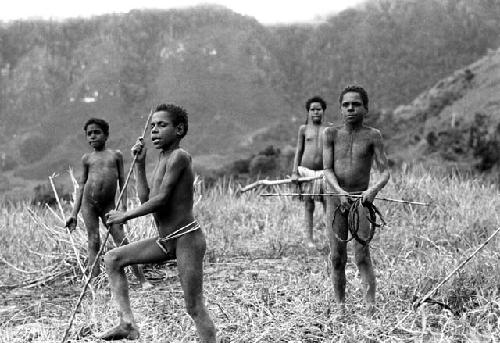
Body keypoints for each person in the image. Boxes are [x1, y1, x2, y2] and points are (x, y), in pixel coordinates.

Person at [100, 104, 216, 342]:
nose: (154, 131)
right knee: (112, 258)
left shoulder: (179, 157)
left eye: (162, 125)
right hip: (165, 241)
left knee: (193, 306)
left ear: (179, 129)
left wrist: (124, 215)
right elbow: (147, 198)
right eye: (152, 126)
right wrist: (140, 165)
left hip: (187, 239)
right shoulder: (162, 158)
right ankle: (127, 324)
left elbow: (162, 200)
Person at [323, 85, 390, 311]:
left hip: (361, 200)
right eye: (346, 105)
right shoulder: (330, 134)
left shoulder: (373, 136)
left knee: (362, 255)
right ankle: (340, 307)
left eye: (356, 104)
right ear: (340, 109)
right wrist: (339, 192)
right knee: (337, 257)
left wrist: (372, 191)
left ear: (365, 108)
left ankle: (370, 307)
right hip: (335, 200)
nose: (351, 108)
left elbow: (384, 171)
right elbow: (327, 170)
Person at [66, 118, 149, 288]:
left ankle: (142, 280)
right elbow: (81, 185)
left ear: (106, 135)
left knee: (122, 240)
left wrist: (124, 209)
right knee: (93, 241)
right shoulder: (86, 159)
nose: (92, 137)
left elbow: (122, 181)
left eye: (97, 132)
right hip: (88, 206)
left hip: (108, 206)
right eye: (89, 134)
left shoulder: (115, 155)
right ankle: (94, 283)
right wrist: (73, 214)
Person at [291, 96, 328, 248]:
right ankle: (309, 240)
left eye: (318, 109)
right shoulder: (304, 129)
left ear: (323, 111)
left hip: (324, 173)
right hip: (305, 171)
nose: (315, 112)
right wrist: (294, 172)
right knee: (308, 205)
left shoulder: (329, 130)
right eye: (312, 109)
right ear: (308, 112)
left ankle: (330, 238)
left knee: (328, 204)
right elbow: (299, 150)